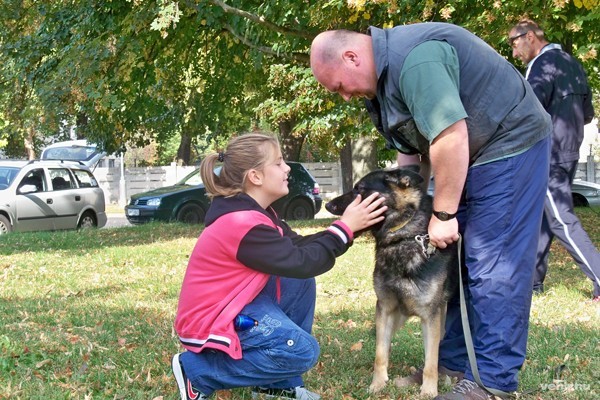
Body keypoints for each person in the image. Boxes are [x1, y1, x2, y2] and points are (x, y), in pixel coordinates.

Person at [310, 23, 552, 400]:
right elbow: (411, 160)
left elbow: (450, 136)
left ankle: (491, 384)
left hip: (509, 144)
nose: (343, 97)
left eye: (338, 86)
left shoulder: (415, 62)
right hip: (471, 151)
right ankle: (452, 362)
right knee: (455, 263)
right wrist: (411, 205)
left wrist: (441, 215)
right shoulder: (383, 85)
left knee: (492, 261)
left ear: (352, 57)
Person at [171, 133, 387, 400]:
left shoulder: (256, 214)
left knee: (298, 281)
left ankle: (276, 385)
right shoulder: (242, 224)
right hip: (214, 321)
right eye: (279, 163)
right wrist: (344, 228)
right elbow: (304, 261)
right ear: (255, 177)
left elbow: (297, 250)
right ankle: (196, 371)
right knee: (302, 351)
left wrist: (349, 228)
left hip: (234, 305)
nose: (287, 168)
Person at [509, 19, 599, 301]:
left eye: (514, 43)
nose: (514, 52)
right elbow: (587, 114)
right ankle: (532, 283)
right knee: (544, 217)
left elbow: (527, 111)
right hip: (569, 149)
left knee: (561, 219)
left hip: (548, 153)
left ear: (530, 37)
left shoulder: (540, 66)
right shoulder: (572, 63)